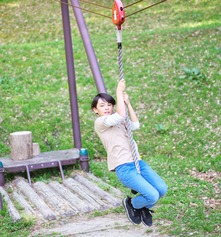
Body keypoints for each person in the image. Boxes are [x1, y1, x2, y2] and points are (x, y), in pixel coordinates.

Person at [91, 79, 168, 227]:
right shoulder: (100, 123)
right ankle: (132, 203)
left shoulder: (119, 120)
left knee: (162, 190)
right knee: (152, 195)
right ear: (95, 110)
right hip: (124, 167)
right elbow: (119, 116)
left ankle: (142, 206)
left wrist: (128, 104)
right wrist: (119, 92)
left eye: (109, 105)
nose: (106, 107)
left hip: (138, 163)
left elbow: (135, 125)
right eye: (102, 105)